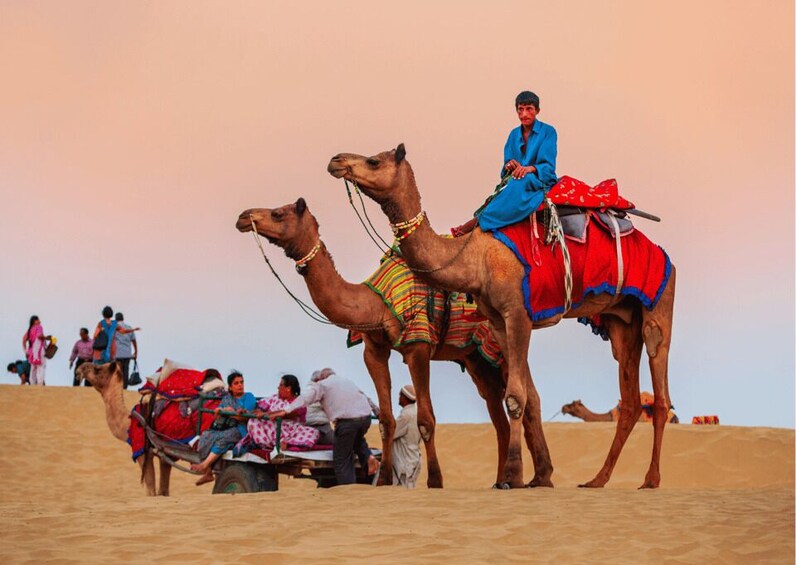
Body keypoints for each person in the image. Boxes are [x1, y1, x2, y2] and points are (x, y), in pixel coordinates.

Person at [454, 91, 558, 235]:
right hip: (515, 180)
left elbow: (548, 168)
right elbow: (506, 168)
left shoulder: (548, 132)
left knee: (520, 182)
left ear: (537, 111)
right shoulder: (514, 134)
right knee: (505, 188)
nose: (524, 114)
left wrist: (528, 169)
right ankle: (482, 219)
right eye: (520, 109)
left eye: (529, 109)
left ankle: (477, 223)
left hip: (538, 181)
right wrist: (510, 166)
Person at [269, 368, 379, 486]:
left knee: (342, 459)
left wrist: (285, 411)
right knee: (356, 440)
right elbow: (366, 397)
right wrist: (378, 412)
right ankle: (368, 457)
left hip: (346, 423)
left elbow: (304, 399)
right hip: (365, 419)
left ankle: (348, 489)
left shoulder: (322, 385)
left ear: (320, 379)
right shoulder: (346, 381)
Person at [191, 371, 257, 486]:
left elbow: (244, 417)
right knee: (206, 436)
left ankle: (205, 465)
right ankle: (208, 473)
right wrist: (221, 411)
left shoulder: (249, 397)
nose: (240, 385)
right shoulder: (227, 398)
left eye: (241, 382)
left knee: (224, 438)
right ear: (230, 387)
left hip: (241, 429)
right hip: (225, 427)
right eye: (236, 383)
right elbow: (217, 415)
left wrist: (230, 412)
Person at [247, 374, 320, 451]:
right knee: (253, 421)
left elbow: (287, 414)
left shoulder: (299, 402)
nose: (278, 388)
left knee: (313, 432)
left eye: (281, 385)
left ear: (288, 388)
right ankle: (273, 444)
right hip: (273, 430)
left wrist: (266, 414)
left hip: (292, 431)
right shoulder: (275, 398)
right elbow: (259, 408)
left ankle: (288, 443)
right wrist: (249, 411)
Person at [392, 384, 422, 488]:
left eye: (400, 395)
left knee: (403, 493)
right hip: (414, 459)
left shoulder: (406, 415)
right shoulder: (417, 412)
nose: (399, 397)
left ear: (405, 398)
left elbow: (392, 434)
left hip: (404, 462)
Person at [22, 315, 52, 385]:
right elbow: (39, 336)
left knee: (33, 368)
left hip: (31, 351)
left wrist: (25, 351)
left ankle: (32, 384)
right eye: (38, 320)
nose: (39, 321)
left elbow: (23, 340)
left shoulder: (30, 329)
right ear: (35, 321)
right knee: (41, 367)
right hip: (39, 350)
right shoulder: (39, 327)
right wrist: (47, 338)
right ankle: (40, 384)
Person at [113, 312, 138, 389]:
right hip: (127, 354)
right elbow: (134, 341)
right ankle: (124, 388)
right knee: (125, 371)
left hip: (117, 354)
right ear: (123, 318)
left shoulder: (114, 328)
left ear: (116, 319)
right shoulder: (129, 327)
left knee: (117, 371)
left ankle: (118, 387)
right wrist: (136, 352)